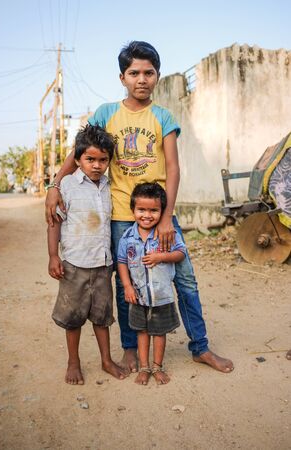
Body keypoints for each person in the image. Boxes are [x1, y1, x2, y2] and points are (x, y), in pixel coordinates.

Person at [45, 40, 234, 374]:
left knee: (184, 280)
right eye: (134, 72)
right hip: (121, 216)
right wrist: (55, 184)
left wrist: (167, 218)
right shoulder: (106, 113)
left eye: (149, 72)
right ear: (122, 78)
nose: (142, 79)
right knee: (125, 282)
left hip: (160, 215)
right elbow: (80, 152)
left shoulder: (163, 117)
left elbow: (173, 168)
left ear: (157, 76)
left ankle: (200, 347)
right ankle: (131, 348)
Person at [47, 124, 126, 385]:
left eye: (103, 160)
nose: (96, 165)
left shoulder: (108, 185)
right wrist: (53, 256)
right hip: (74, 264)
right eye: (90, 159)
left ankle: (106, 360)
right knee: (73, 319)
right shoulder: (66, 186)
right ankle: (74, 362)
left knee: (102, 317)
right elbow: (54, 223)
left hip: (103, 264)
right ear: (78, 158)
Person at [118, 183, 185, 385]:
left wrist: (161, 257)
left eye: (153, 210)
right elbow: (122, 262)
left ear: (161, 211)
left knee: (159, 332)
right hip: (138, 296)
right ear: (133, 210)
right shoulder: (127, 237)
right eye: (141, 210)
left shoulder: (166, 234)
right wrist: (128, 287)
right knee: (142, 331)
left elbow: (181, 253)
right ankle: (145, 367)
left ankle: (157, 367)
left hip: (161, 295)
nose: (147, 215)